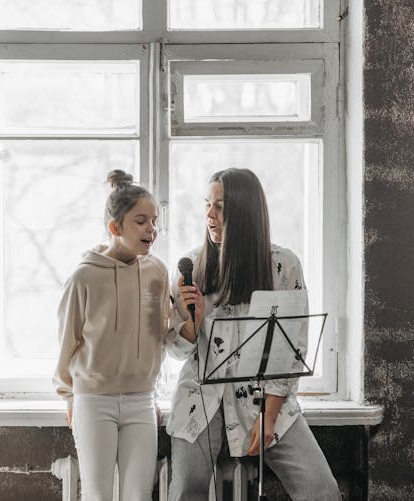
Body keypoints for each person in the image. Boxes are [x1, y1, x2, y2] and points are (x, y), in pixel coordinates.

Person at [165, 168, 340, 500]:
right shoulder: (191, 265)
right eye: (207, 204)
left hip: (266, 397)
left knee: (322, 490)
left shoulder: (283, 265)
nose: (209, 215)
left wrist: (269, 415)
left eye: (219, 206)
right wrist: (192, 322)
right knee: (186, 489)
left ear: (244, 213)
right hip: (200, 399)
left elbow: (292, 348)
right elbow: (176, 352)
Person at [54, 169, 170, 501]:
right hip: (94, 401)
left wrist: (154, 393)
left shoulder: (157, 273)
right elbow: (67, 342)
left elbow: (159, 337)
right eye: (141, 221)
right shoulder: (84, 278)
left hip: (141, 401)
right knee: (98, 494)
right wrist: (69, 396)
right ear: (115, 227)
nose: (152, 229)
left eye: (154, 221)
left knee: (138, 495)